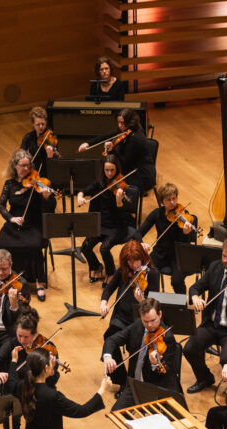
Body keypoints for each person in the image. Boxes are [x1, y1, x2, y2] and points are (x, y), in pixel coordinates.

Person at [183, 235, 227, 393]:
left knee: (226, 361)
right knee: (189, 348)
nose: (225, 260)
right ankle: (205, 378)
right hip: (211, 325)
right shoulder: (215, 267)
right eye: (223, 255)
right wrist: (195, 297)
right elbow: (195, 287)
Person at [102, 297, 182, 414]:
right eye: (145, 321)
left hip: (155, 387)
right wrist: (108, 357)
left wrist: (155, 364)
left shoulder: (167, 337)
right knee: (117, 413)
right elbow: (111, 340)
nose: (149, 325)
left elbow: (165, 371)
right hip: (135, 384)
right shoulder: (138, 325)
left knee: (153, 422)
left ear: (160, 314)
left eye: (153, 320)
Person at [0, 149, 54, 299]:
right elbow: (0, 206)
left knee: (34, 245)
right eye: (22, 166)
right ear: (15, 166)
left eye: (28, 166)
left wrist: (47, 197)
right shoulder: (9, 184)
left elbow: (47, 209)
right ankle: (8, 280)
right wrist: (11, 218)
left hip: (33, 224)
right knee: (0, 245)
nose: (26, 169)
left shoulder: (37, 184)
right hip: (15, 225)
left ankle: (39, 282)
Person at [134, 182, 198, 294]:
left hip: (178, 255)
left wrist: (186, 232)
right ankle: (151, 302)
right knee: (145, 273)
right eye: (168, 199)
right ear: (161, 201)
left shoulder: (184, 214)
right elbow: (138, 233)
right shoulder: (157, 214)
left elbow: (187, 242)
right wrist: (141, 243)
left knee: (176, 281)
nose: (173, 202)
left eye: (174, 198)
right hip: (160, 253)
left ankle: (182, 306)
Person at [77, 155, 133, 283]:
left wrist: (119, 201)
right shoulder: (99, 184)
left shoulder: (121, 186)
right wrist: (80, 197)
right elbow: (82, 191)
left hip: (116, 226)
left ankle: (111, 272)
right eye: (106, 170)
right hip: (100, 225)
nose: (109, 173)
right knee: (85, 247)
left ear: (117, 169)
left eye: (112, 170)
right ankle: (96, 266)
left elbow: (124, 212)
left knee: (104, 248)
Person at [79, 109, 155, 196]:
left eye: (122, 123)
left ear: (131, 122)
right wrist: (88, 143)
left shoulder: (136, 138)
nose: (119, 125)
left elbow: (124, 162)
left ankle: (118, 207)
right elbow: (106, 137)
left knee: (109, 186)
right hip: (129, 170)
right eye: (118, 122)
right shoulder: (124, 131)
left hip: (141, 175)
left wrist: (112, 150)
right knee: (105, 180)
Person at [100, 240, 159, 343]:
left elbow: (154, 304)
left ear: (142, 258)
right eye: (130, 262)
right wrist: (103, 303)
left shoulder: (152, 274)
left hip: (140, 319)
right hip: (121, 317)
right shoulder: (125, 269)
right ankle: (116, 360)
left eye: (137, 260)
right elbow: (109, 288)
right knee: (108, 338)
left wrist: (142, 301)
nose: (134, 265)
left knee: (133, 345)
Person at [20, 106, 59, 175]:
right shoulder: (28, 137)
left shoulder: (52, 136)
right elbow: (21, 155)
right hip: (33, 172)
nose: (41, 127)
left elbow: (56, 161)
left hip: (49, 172)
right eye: (38, 124)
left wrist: (50, 155)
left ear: (46, 122)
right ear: (33, 124)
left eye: (43, 124)